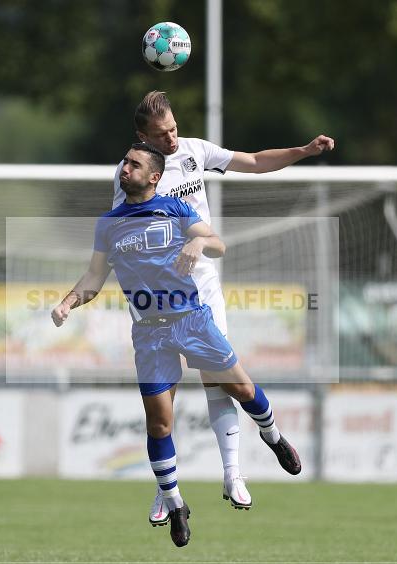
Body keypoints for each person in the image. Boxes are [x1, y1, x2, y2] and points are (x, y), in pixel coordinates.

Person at [53, 142, 302, 547]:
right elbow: (94, 277)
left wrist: (198, 243)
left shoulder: (174, 208)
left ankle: (272, 436)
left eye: (134, 164)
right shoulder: (109, 223)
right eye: (124, 163)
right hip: (149, 334)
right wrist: (68, 302)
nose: (124, 168)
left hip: (192, 321)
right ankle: (175, 504)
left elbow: (218, 244)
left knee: (241, 389)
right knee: (159, 423)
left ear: (154, 176)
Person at [113, 91, 334, 525]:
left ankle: (234, 472)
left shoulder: (194, 151)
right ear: (142, 137)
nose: (172, 138)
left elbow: (254, 161)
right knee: (163, 403)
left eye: (174, 128)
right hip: (159, 297)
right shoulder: (131, 174)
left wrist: (304, 151)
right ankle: (166, 491)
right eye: (161, 134)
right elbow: (119, 235)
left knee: (220, 381)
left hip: (203, 285)